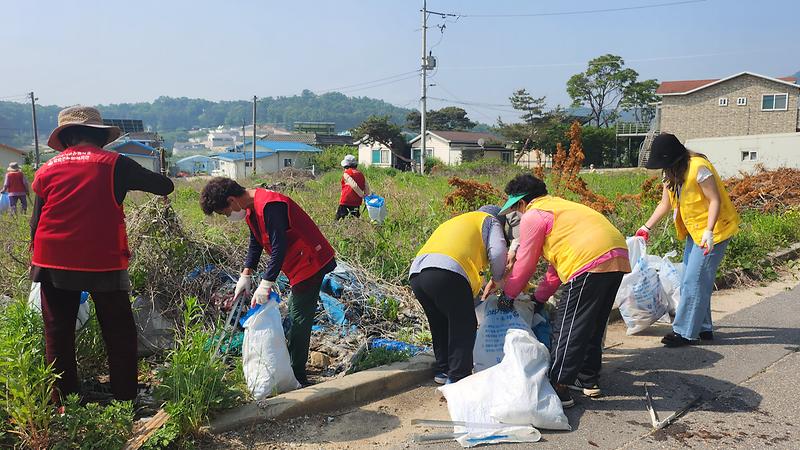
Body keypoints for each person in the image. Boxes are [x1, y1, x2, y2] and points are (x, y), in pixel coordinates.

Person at [30, 105, 174, 403]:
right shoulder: (115, 164)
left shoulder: (46, 169)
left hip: (52, 259)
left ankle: (64, 403)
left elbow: (36, 222)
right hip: (102, 260)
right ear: (99, 136)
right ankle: (124, 400)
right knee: (118, 330)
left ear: (67, 138)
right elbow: (164, 186)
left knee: (58, 333)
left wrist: (39, 263)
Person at [492, 174, 630, 408]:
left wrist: (508, 295)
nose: (518, 213)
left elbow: (525, 262)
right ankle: (588, 380)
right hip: (617, 255)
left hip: (589, 261)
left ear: (523, 202)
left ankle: (559, 386)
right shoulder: (562, 207)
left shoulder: (534, 215)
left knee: (568, 325)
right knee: (593, 323)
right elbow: (555, 270)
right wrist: (538, 298)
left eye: (516, 207)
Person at [200, 177, 336, 385]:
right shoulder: (251, 209)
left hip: (311, 259)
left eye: (225, 212)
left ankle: (297, 374)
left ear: (232, 200)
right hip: (297, 261)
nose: (228, 216)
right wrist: (246, 275)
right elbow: (256, 243)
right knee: (295, 312)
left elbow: (278, 246)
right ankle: (292, 368)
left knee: (299, 317)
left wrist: (266, 284)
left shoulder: (270, 205)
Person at [636, 133, 740, 348]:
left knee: (694, 280)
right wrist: (646, 227)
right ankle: (704, 328)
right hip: (695, 231)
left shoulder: (698, 168)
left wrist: (709, 231)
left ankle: (684, 332)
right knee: (691, 279)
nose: (663, 169)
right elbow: (664, 205)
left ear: (674, 156)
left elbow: (715, 200)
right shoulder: (671, 173)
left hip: (715, 231)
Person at [409, 205, 507, 385]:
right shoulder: (489, 220)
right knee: (464, 324)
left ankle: (443, 371)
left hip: (418, 274)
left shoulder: (457, 221)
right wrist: (498, 278)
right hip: (447, 271)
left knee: (440, 323)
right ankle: (458, 378)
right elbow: (498, 251)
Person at [336, 154, 370, 220]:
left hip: (346, 200)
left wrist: (361, 195)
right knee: (354, 218)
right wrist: (366, 195)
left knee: (339, 219)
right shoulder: (360, 173)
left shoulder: (347, 173)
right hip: (357, 201)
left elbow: (354, 185)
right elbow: (366, 186)